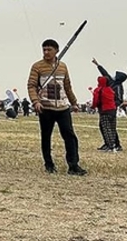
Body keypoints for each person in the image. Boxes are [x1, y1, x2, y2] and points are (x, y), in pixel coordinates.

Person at [27, 39, 87, 176]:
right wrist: (35, 101)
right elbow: (31, 85)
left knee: (70, 136)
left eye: (49, 49)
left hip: (62, 108)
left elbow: (67, 86)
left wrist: (74, 102)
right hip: (45, 108)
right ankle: (49, 164)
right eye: (44, 49)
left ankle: (73, 165)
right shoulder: (37, 66)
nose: (46, 52)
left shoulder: (63, 67)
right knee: (46, 137)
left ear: (56, 51)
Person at [91, 58, 124, 151]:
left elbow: (119, 99)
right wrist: (98, 65)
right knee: (104, 127)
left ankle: (115, 144)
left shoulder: (117, 86)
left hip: (109, 108)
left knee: (109, 127)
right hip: (108, 108)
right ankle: (108, 143)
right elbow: (105, 74)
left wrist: (112, 104)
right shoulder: (111, 84)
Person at [91, 76, 119, 152]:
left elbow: (96, 100)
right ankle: (114, 144)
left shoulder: (98, 90)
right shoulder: (110, 90)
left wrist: (93, 106)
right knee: (112, 128)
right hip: (113, 110)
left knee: (106, 128)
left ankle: (110, 146)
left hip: (104, 111)